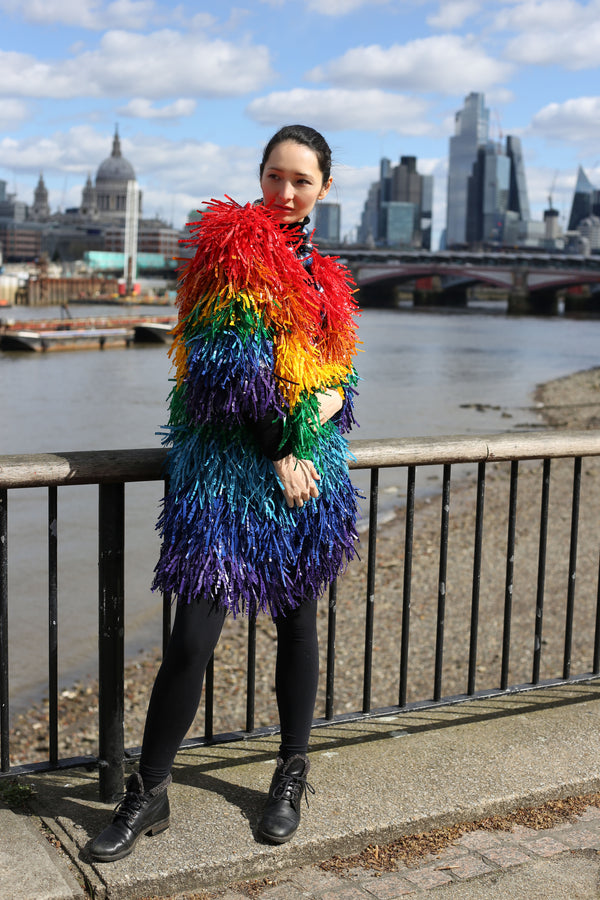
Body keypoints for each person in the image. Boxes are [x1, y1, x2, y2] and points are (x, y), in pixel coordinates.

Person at [89, 124, 360, 862]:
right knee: (193, 638)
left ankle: (290, 772)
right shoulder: (229, 248)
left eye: (301, 181)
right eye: (275, 176)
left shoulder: (326, 275)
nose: (285, 192)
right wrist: (282, 443)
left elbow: (343, 378)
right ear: (259, 175)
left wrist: (323, 412)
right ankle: (148, 792)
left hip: (308, 477)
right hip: (230, 479)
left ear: (325, 189)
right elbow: (221, 372)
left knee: (299, 626)